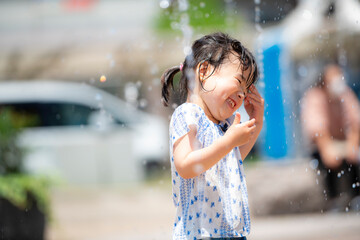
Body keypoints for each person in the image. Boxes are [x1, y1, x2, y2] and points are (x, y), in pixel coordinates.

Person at [161, 32, 264, 240]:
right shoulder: (188, 114)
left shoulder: (222, 126)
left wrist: (257, 121)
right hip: (198, 234)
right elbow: (186, 166)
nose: (242, 94)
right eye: (239, 81)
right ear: (204, 71)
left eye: (245, 90)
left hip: (229, 233)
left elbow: (231, 162)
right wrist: (228, 142)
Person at [301, 63, 360, 211]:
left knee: (354, 159)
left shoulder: (345, 94)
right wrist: (328, 148)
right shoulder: (314, 96)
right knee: (326, 162)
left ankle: (356, 196)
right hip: (324, 144)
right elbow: (317, 128)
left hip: (344, 142)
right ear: (324, 81)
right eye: (334, 77)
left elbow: (354, 122)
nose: (338, 80)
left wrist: (352, 146)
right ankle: (333, 199)